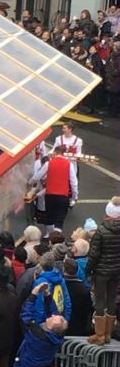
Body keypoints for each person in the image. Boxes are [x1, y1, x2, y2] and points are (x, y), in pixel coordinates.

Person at [86, 196, 120, 344]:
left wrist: (88, 270)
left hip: (101, 271)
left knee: (100, 301)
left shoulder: (100, 231)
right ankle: (108, 333)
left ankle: (99, 334)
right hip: (116, 270)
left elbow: (94, 255)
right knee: (112, 299)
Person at [29, 145, 78, 232]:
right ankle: (57, 237)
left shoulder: (48, 163)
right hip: (63, 197)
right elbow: (74, 183)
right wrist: (74, 197)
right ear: (64, 154)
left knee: (50, 219)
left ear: (55, 153)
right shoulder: (69, 165)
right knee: (59, 220)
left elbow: (37, 176)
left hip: (50, 196)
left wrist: (30, 183)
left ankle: (50, 238)